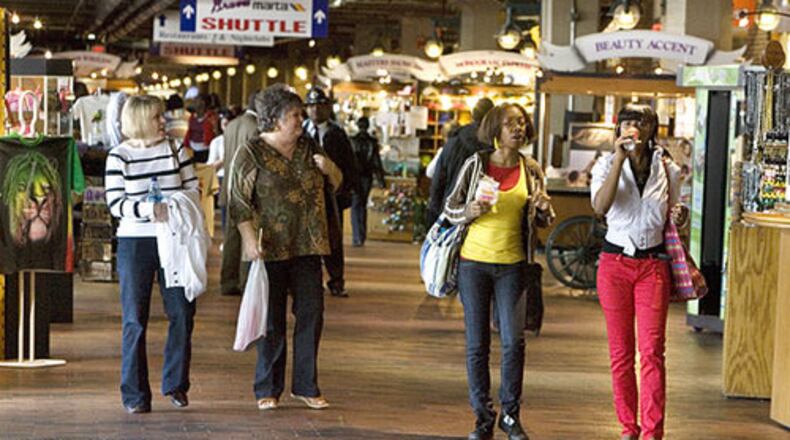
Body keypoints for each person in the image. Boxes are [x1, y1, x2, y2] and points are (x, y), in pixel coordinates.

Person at [228, 84, 342, 411]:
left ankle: (306, 386)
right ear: (275, 119)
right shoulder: (251, 153)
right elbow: (237, 202)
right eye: (295, 115)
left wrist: (329, 168)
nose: (300, 120)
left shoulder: (309, 147)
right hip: (269, 249)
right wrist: (249, 241)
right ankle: (268, 387)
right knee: (272, 321)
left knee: (311, 315)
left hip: (309, 245)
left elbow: (339, 181)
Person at [444, 103, 553, 440]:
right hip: (473, 264)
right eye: (510, 124)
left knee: (513, 342)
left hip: (513, 266)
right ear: (495, 130)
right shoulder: (476, 164)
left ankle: (510, 414)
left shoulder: (530, 168)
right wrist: (470, 210)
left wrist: (545, 209)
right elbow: (449, 208)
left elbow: (544, 219)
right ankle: (482, 417)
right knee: (477, 345)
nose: (518, 129)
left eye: (521, 123)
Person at [591, 104, 686, 440]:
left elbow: (674, 212)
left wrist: (679, 216)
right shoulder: (604, 165)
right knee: (620, 353)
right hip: (614, 265)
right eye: (627, 121)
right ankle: (628, 427)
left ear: (651, 128)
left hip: (653, 266)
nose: (633, 126)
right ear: (618, 128)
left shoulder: (668, 168)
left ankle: (652, 432)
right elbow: (600, 208)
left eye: (640, 121)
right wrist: (618, 159)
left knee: (652, 352)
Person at [104, 95, 199, 414]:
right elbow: (115, 203)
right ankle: (134, 394)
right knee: (134, 319)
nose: (164, 122)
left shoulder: (177, 151)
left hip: (175, 239)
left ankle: (176, 383)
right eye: (158, 117)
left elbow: (193, 190)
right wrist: (147, 209)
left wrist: (173, 206)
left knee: (182, 312)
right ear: (141, 120)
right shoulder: (119, 157)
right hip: (135, 242)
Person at [303, 87, 358, 298]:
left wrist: (346, 192)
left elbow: (349, 165)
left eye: (320, 105)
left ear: (328, 108)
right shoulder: (301, 132)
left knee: (333, 240)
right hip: (306, 197)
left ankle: (336, 280)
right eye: (311, 106)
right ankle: (309, 281)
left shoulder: (337, 134)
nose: (315, 110)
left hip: (331, 196)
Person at [428, 98, 495, 225]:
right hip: (481, 215)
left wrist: (437, 213)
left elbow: (438, 179)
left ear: (473, 114)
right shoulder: (494, 145)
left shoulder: (453, 141)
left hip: (451, 211)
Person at [219, 91, 260, 296]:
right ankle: (244, 282)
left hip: (227, 188)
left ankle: (227, 281)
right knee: (247, 237)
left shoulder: (232, 125)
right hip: (246, 191)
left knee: (231, 238)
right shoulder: (257, 128)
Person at [349, 116, 385, 247]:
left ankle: (357, 236)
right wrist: (381, 178)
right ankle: (361, 235)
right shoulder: (372, 142)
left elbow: (349, 160)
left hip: (355, 176)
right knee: (362, 205)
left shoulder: (352, 140)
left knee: (355, 205)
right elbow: (376, 161)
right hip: (367, 176)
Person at [207, 109, 234, 227]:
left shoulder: (237, 140)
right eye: (224, 125)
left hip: (235, 177)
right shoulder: (217, 142)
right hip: (222, 177)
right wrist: (224, 159)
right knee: (225, 209)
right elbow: (211, 166)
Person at [183, 94, 216, 163]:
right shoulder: (192, 117)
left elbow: (215, 133)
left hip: (206, 149)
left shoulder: (211, 117)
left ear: (203, 103)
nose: (193, 103)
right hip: (192, 149)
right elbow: (190, 131)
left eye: (196, 101)